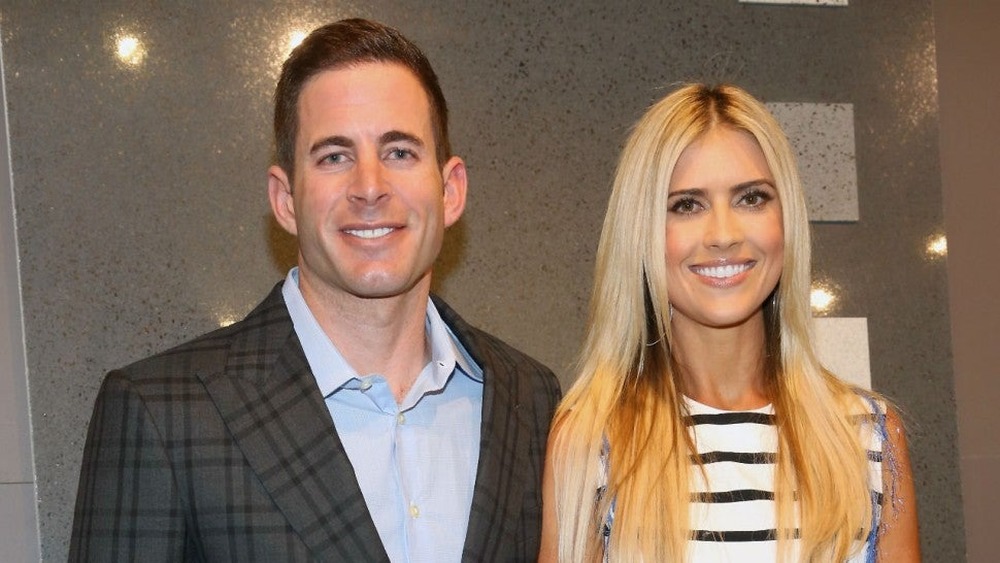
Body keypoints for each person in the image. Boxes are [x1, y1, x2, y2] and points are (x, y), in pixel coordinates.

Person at [69, 18, 560, 562]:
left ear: (450, 190)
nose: (369, 187)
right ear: (285, 200)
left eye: (399, 152)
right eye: (334, 156)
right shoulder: (163, 412)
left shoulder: (533, 400)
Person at [539, 84, 920, 562]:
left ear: (787, 219)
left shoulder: (869, 435)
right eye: (687, 205)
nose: (723, 235)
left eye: (751, 198)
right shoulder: (591, 439)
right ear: (641, 232)